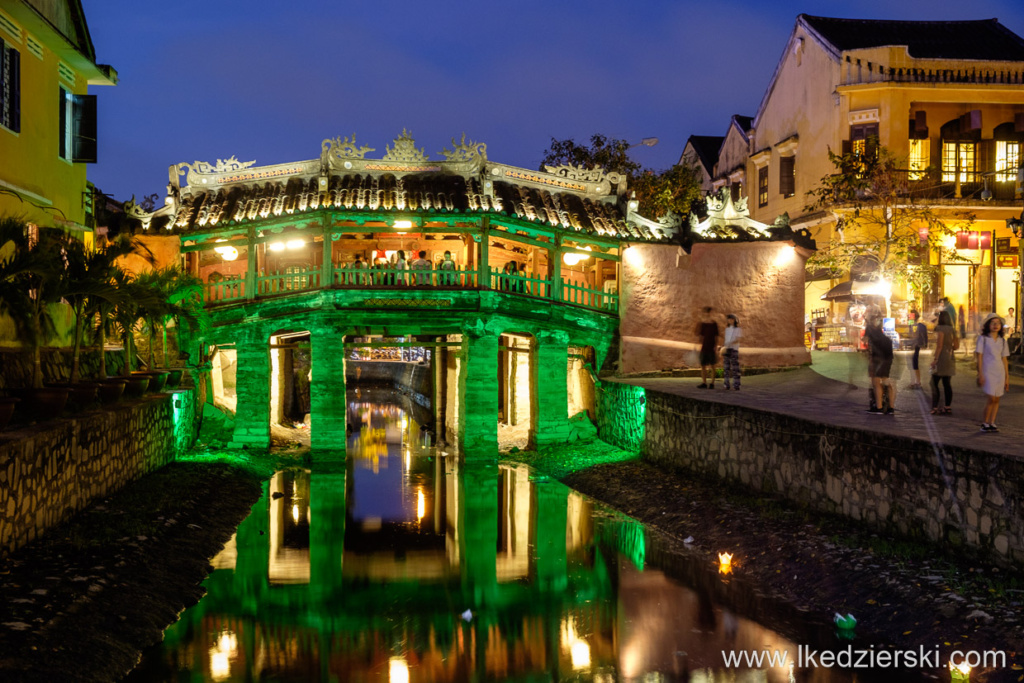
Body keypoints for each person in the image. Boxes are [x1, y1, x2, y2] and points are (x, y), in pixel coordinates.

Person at [976, 313, 1010, 432]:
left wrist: (1007, 377)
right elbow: (979, 357)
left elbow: (1004, 359)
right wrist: (980, 373)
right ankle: (985, 422)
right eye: (993, 323)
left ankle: (992, 422)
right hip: (987, 371)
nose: (996, 325)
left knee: (997, 398)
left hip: (999, 371)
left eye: (998, 323)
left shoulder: (1002, 341)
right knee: (991, 397)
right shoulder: (983, 339)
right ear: (988, 325)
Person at [864, 313, 895, 414]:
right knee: (886, 381)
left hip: (878, 357)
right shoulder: (884, 337)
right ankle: (891, 408)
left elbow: (865, 342)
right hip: (888, 356)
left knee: (876, 383)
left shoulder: (870, 330)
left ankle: (879, 407)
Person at [929, 310, 956, 415]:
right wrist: (949, 347)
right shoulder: (952, 329)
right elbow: (957, 345)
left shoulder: (940, 329)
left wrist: (935, 359)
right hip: (950, 356)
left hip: (942, 358)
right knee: (947, 383)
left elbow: (939, 345)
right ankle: (947, 407)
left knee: (934, 382)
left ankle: (935, 407)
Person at [695, 307, 720, 389]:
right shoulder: (703, 324)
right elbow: (700, 336)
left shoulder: (714, 324)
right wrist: (698, 344)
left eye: (708, 312)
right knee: (703, 365)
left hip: (711, 347)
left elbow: (716, 336)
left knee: (713, 366)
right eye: (705, 312)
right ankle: (704, 382)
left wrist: (715, 346)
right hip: (704, 347)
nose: (707, 314)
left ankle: (712, 383)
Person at [721, 314, 742, 390]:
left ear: (734, 320)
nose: (730, 320)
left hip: (734, 349)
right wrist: (723, 346)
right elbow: (726, 340)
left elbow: (738, 340)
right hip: (727, 349)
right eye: (728, 319)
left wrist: (730, 343)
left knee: (735, 368)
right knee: (726, 368)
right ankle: (726, 384)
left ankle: (736, 384)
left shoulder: (738, 329)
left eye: (731, 319)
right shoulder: (727, 329)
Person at [909, 319, 928, 389]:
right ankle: (916, 381)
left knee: (915, 363)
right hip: (915, 346)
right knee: (914, 363)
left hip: (916, 346)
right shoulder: (917, 325)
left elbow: (913, 334)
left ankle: (917, 382)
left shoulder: (916, 325)